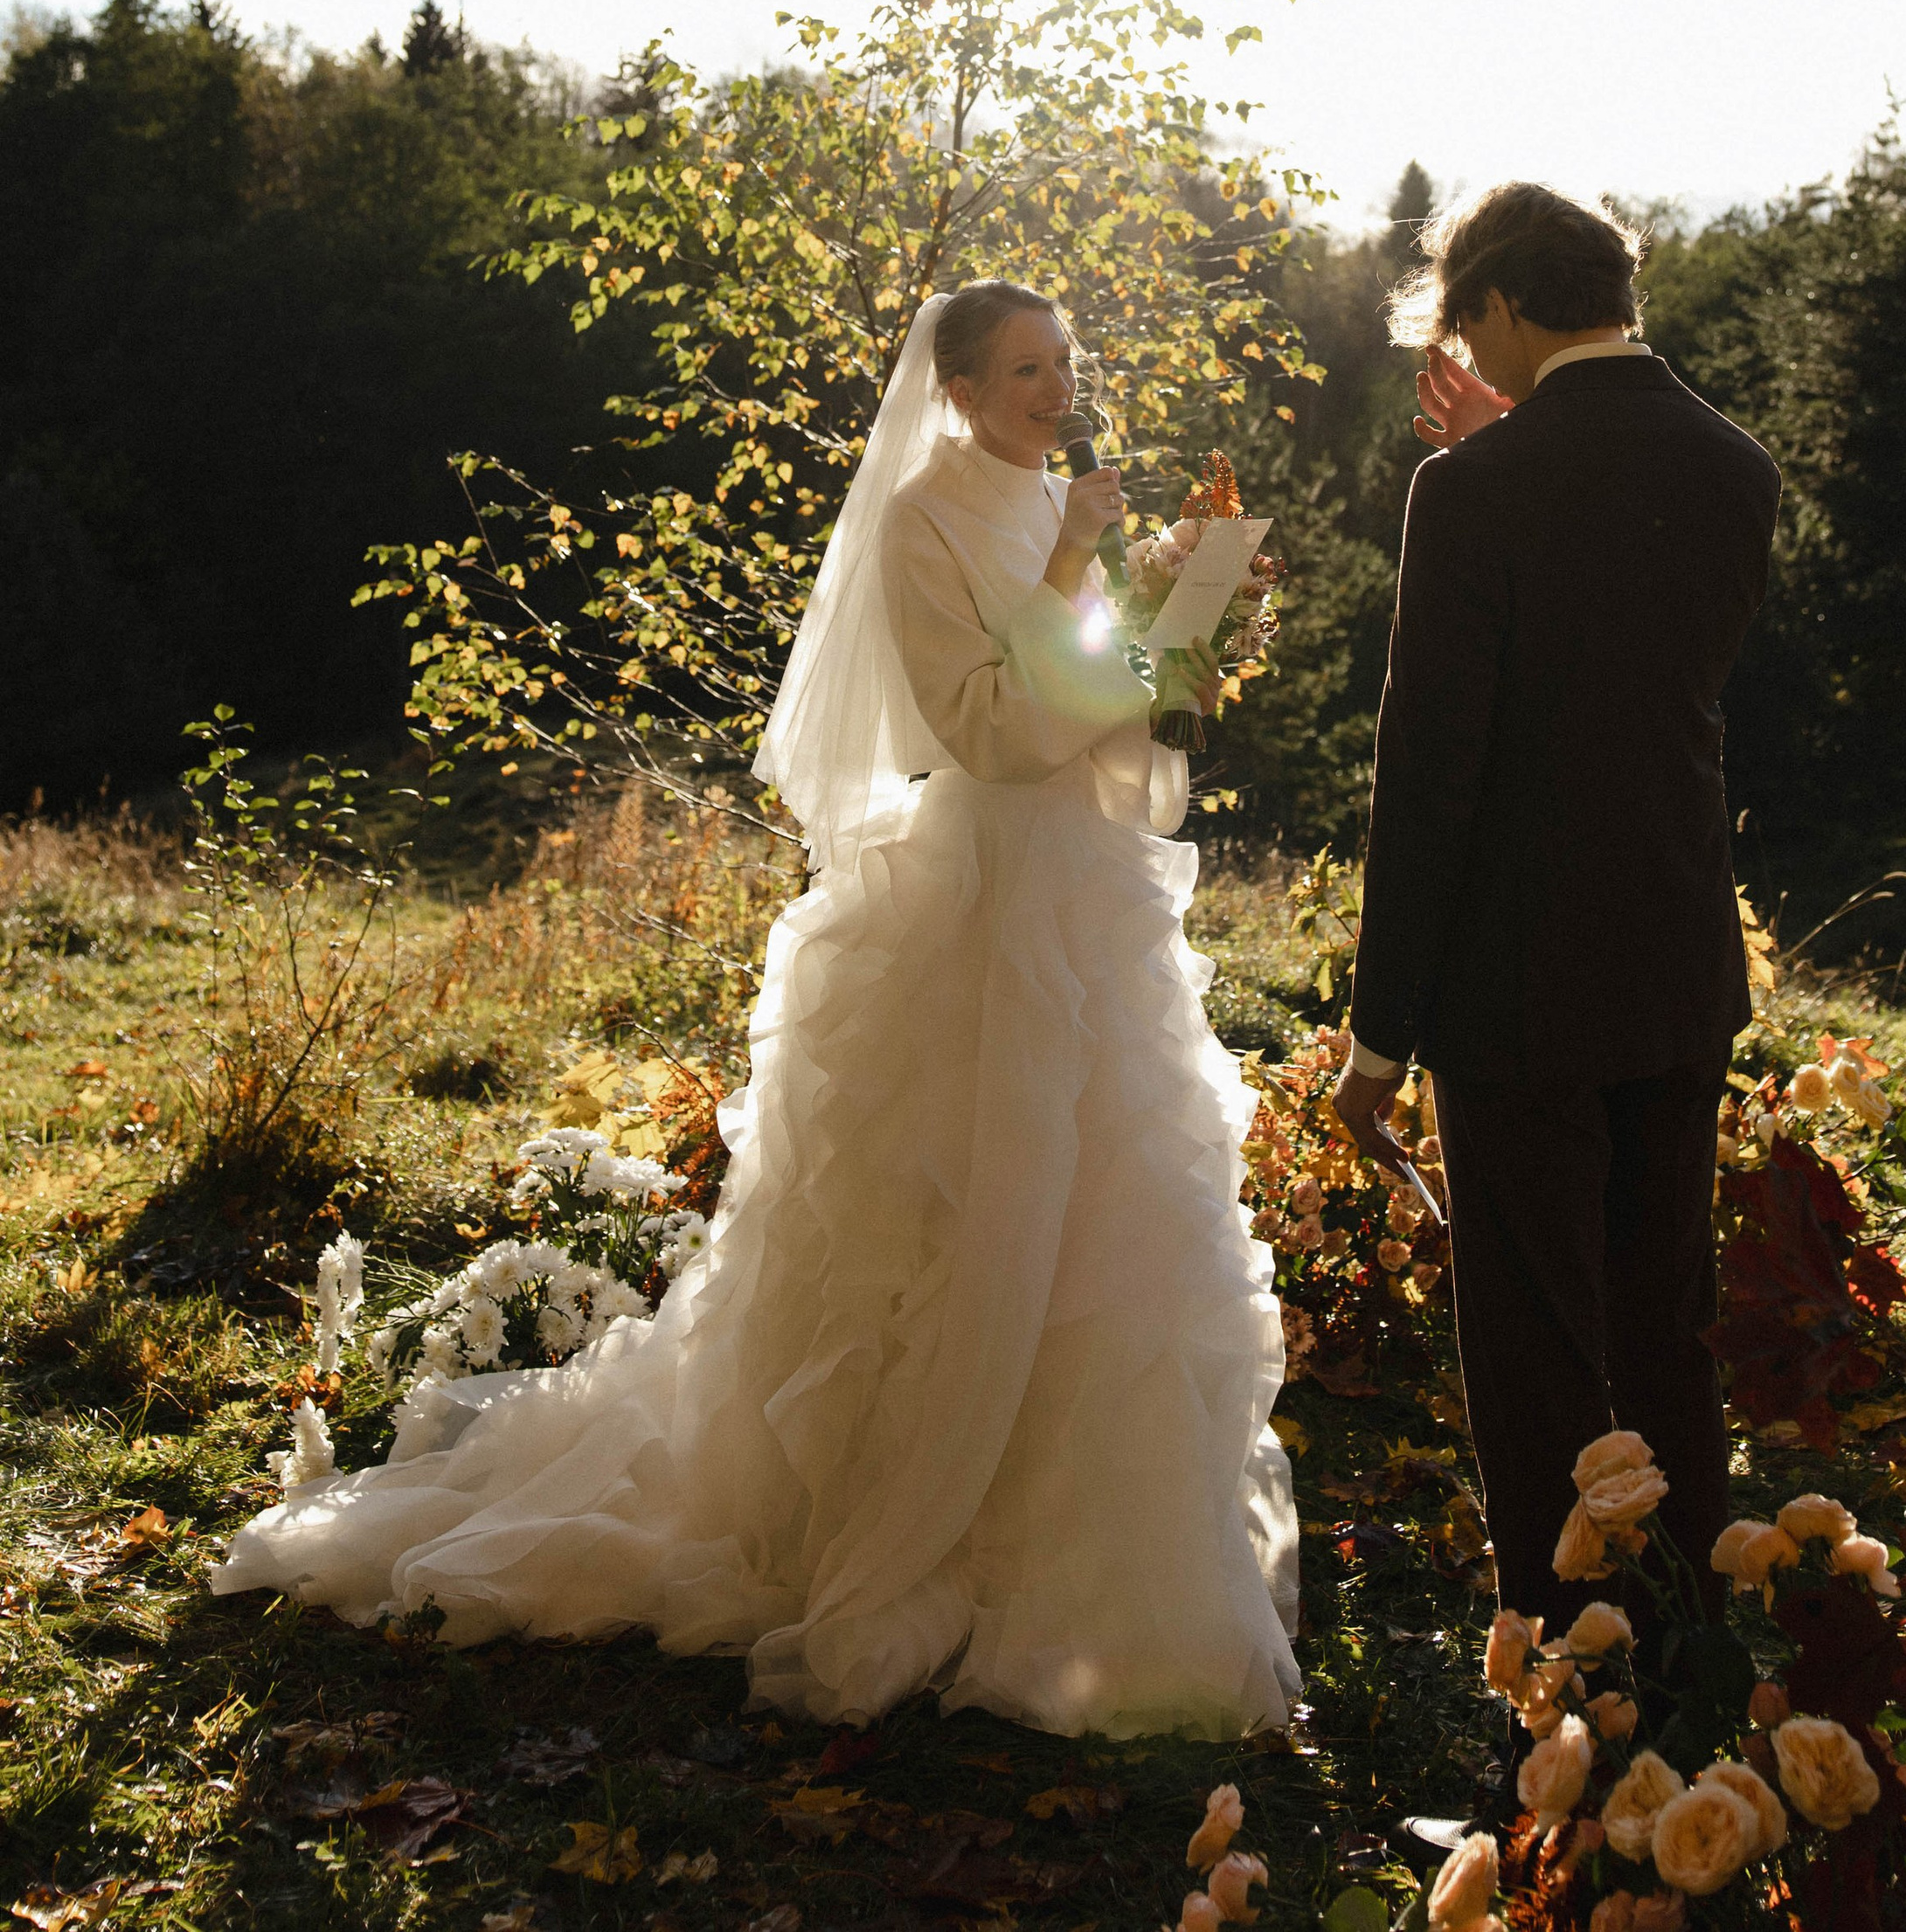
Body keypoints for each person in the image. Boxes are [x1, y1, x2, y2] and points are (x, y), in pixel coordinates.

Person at [213, 281, 1300, 1740]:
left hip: (1090, 898)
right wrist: (1084, 570)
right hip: (984, 905)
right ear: (958, 389)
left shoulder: (1062, 502)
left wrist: (1185, 623)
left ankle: (1094, 1542)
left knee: (1109, 1213)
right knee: (968, 1207)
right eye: (1024, 370)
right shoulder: (922, 521)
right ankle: (905, 1521)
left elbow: (1098, 695)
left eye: (1065, 363)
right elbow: (992, 725)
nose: (1057, 391)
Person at [1329, 184, 1779, 1623]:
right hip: (1675, 956)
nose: (1470, 353)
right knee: (1667, 1327)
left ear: (1507, 303)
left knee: (1536, 1350)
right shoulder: (1736, 465)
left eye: (1469, 325)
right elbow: (1624, 645)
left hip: (1517, 985)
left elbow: (1432, 776)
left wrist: (1379, 1036)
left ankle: (1566, 1673)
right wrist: (1505, 441)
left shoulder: (1470, 495)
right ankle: (1690, 1650)